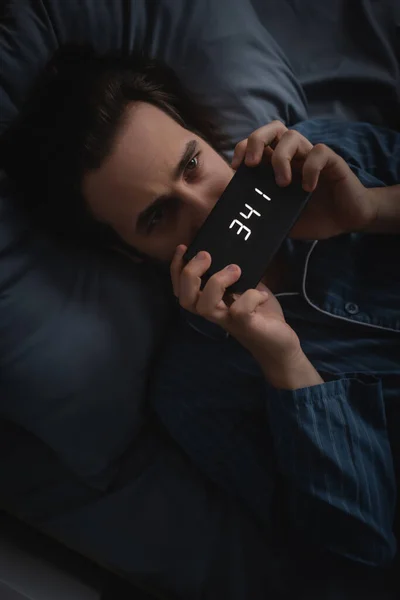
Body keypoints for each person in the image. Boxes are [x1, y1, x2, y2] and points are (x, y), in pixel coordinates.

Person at [2, 46, 400, 571]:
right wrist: (286, 365)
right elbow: (362, 550)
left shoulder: (327, 158)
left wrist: (373, 210)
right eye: (158, 216)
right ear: (129, 251)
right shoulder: (193, 389)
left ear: (211, 140)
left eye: (192, 165)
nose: (207, 208)